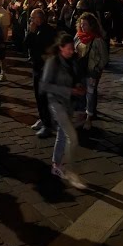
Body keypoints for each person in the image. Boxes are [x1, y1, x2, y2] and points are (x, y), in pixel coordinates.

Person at [39, 33, 87, 189]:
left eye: (72, 49)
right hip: (56, 103)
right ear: (60, 48)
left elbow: (76, 78)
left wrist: (78, 85)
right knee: (72, 137)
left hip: (68, 104)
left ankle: (56, 165)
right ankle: (72, 172)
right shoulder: (53, 62)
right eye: (68, 49)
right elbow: (44, 86)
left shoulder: (72, 61)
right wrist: (69, 91)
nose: (71, 51)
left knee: (61, 134)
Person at [24, 8, 57, 138]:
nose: (31, 20)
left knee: (44, 97)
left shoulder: (48, 31)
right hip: (37, 66)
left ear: (40, 18)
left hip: (46, 69)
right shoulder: (34, 29)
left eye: (33, 17)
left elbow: (43, 48)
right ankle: (42, 119)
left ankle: (48, 125)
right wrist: (31, 33)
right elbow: (25, 45)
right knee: (38, 96)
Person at [74, 12, 109, 132]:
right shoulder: (78, 36)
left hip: (91, 71)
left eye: (85, 24)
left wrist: (97, 69)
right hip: (80, 70)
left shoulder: (97, 40)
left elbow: (104, 58)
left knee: (90, 94)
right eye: (81, 24)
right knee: (80, 93)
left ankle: (89, 117)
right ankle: (81, 114)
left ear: (92, 25)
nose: (83, 27)